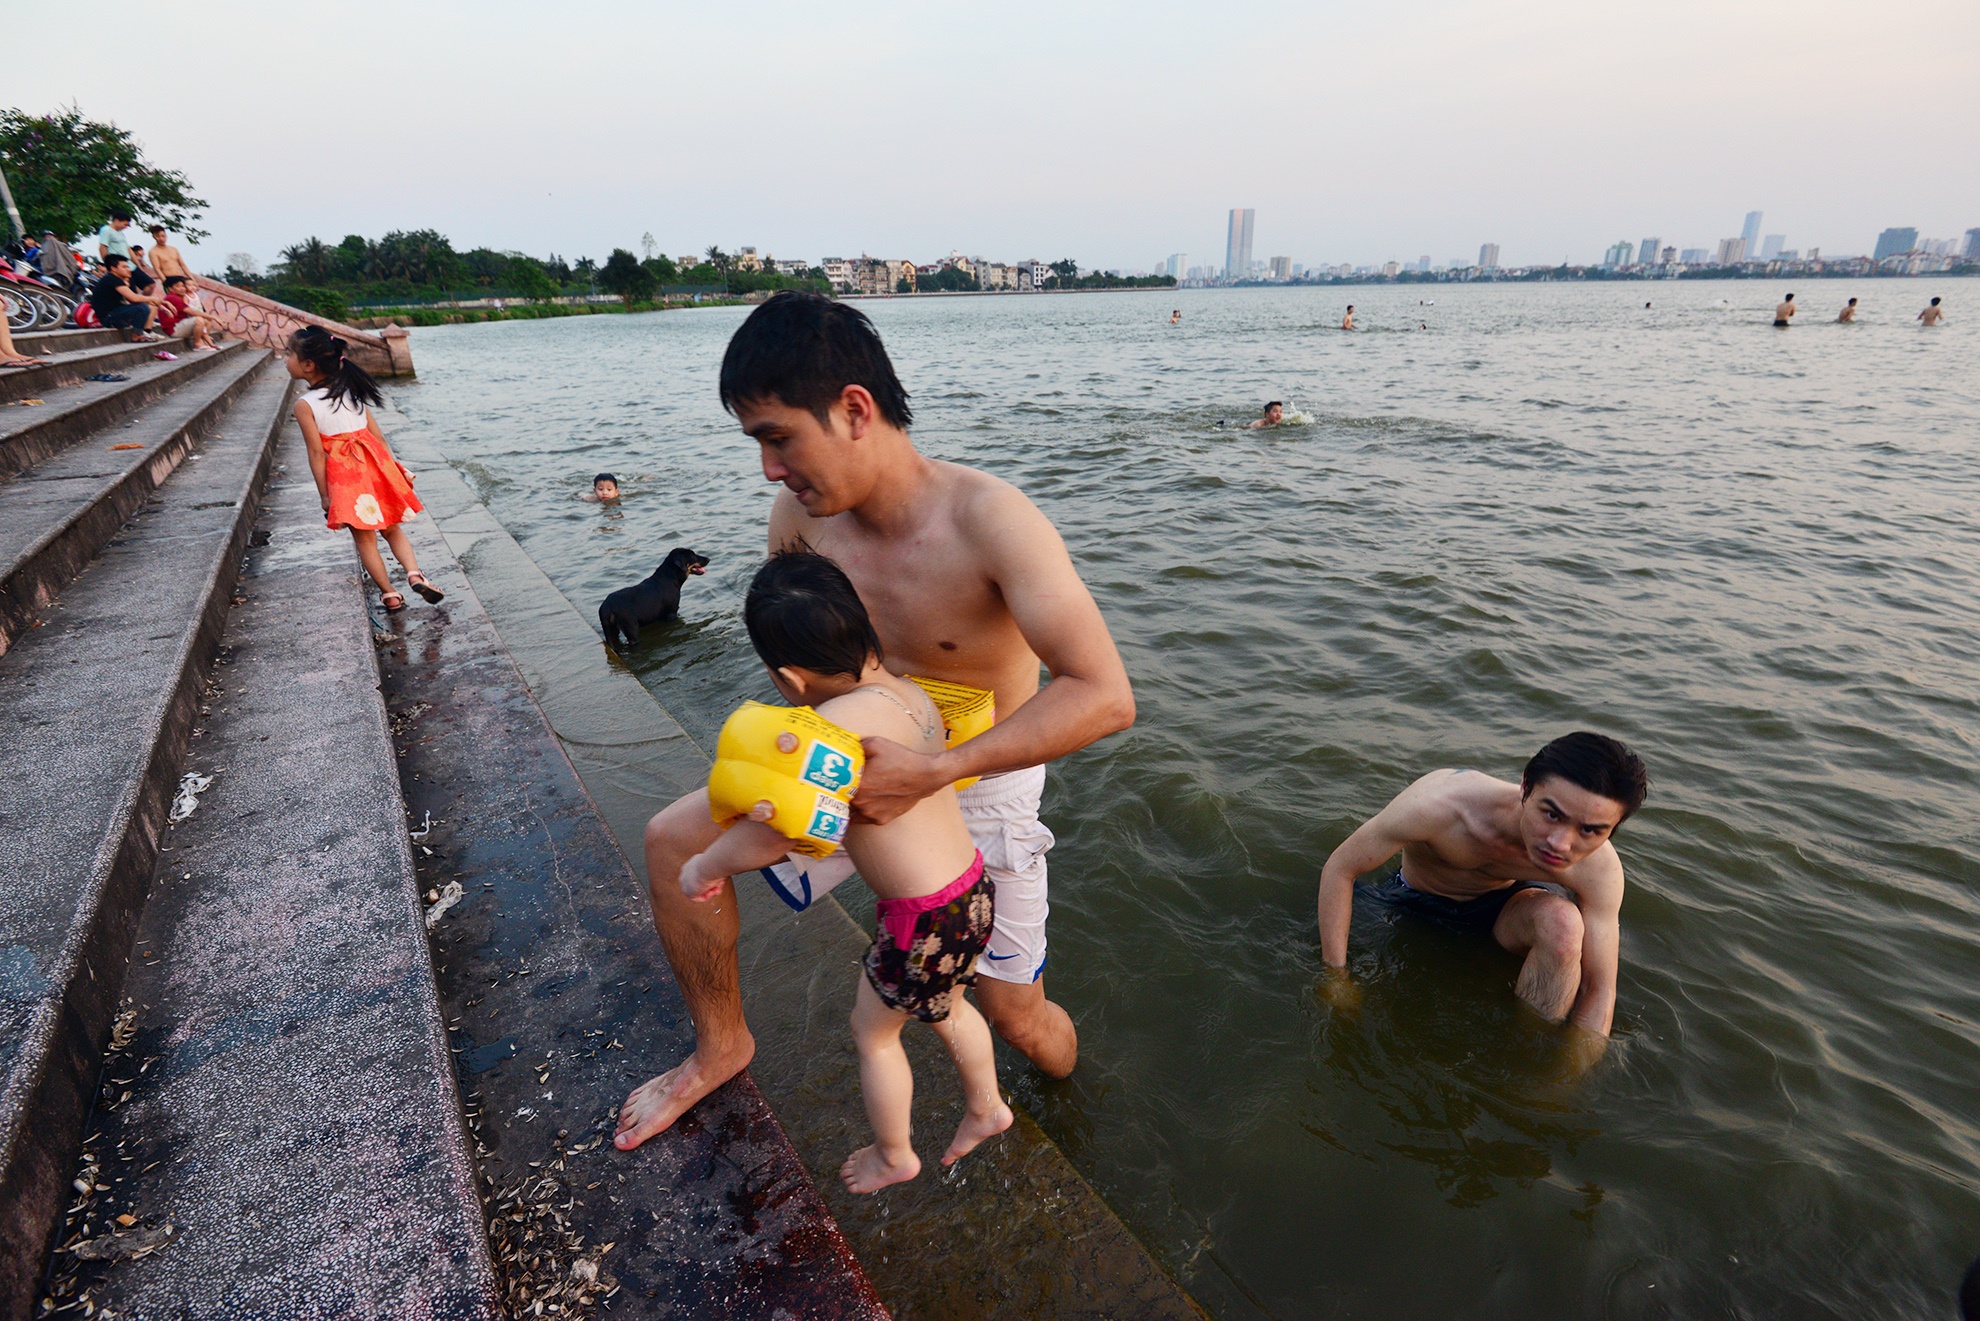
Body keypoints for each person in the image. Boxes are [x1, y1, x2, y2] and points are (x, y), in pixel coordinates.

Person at [615, 292, 1135, 1151]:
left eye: (779, 438)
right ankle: (721, 1046)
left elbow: (1105, 694)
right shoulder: (801, 521)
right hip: (850, 763)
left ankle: (1080, 1115)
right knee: (674, 843)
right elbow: (792, 664)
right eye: (758, 444)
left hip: (977, 781)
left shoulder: (990, 521)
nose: (769, 470)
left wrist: (935, 771)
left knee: (1016, 1018)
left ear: (855, 409)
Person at [680, 551, 1012, 1192]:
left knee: (874, 1035)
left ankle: (895, 1154)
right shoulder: (912, 694)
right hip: (971, 892)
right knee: (947, 1006)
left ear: (788, 677)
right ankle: (986, 1107)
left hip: (920, 919)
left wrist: (705, 864)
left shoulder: (830, 731)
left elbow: (776, 831)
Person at [1315, 731, 1649, 1041]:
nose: (1560, 843)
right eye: (1551, 815)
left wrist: (1569, 1072)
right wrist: (1336, 978)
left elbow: (1599, 989)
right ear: (1525, 787)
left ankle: (1530, 1044)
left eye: (1589, 830)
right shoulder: (1439, 805)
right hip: (1413, 900)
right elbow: (1341, 868)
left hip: (1502, 909)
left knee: (1564, 927)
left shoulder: (1598, 868)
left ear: (1612, 828)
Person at [284, 325, 444, 613]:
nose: (286, 360)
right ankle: (415, 574)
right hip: (375, 468)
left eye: (289, 354)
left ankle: (390, 594)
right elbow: (378, 437)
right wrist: (393, 471)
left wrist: (325, 495)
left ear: (308, 365)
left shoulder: (305, 404)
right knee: (392, 529)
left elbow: (316, 453)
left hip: (347, 477)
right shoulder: (352, 391)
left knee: (365, 539)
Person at [89, 255, 160, 336]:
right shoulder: (112, 279)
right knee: (141, 307)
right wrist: (153, 298)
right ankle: (137, 335)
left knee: (145, 306)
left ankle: (146, 331)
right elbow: (134, 298)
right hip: (107, 317)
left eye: (128, 267)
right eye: (124, 267)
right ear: (113, 268)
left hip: (114, 313)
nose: (128, 270)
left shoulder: (115, 279)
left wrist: (157, 303)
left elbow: (132, 300)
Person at [159, 276, 219, 351]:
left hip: (180, 325)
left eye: (183, 286)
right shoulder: (172, 298)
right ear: (170, 288)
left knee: (206, 321)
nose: (182, 288)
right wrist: (214, 318)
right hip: (174, 330)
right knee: (198, 320)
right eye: (178, 286)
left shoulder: (179, 297)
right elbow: (192, 312)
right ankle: (197, 344)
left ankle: (204, 342)